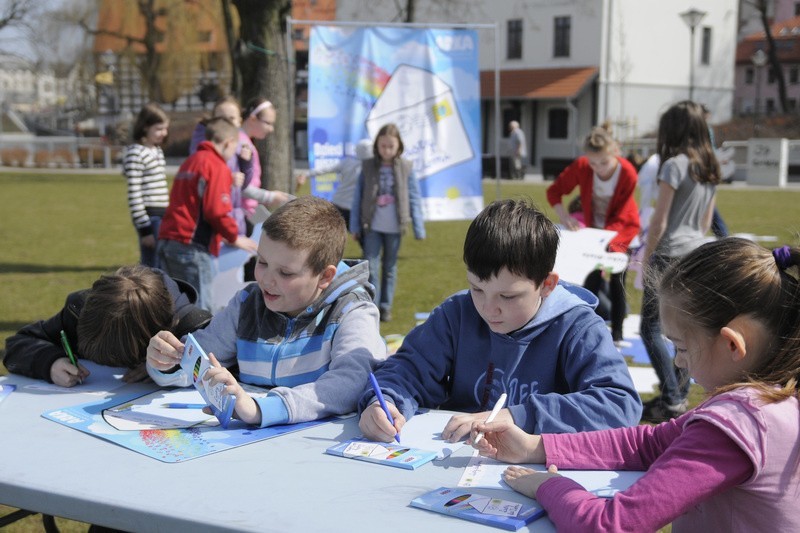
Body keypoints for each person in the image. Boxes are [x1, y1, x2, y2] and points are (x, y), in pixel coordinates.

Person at [470, 238, 800, 532]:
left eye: (681, 347)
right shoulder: (771, 403)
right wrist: (536, 447)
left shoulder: (737, 423)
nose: (678, 362)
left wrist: (548, 486)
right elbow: (651, 443)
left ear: (731, 345)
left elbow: (609, 525)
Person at [357, 198, 642, 444]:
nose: (489, 309)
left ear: (547, 285)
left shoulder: (577, 327)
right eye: (477, 288)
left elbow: (619, 405)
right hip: (451, 461)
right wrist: (384, 402)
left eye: (508, 296)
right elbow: (407, 369)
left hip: (537, 473)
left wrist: (516, 416)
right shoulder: (458, 313)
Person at [146, 196, 388, 428]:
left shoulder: (351, 311)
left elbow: (351, 382)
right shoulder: (246, 304)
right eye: (261, 262)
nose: (266, 280)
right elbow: (196, 359)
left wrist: (262, 409)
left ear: (325, 276)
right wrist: (166, 361)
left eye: (285, 273)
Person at [641, 100, 720, 423]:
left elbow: (659, 221)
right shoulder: (709, 165)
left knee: (651, 328)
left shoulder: (674, 164)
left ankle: (673, 398)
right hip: (696, 250)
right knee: (684, 328)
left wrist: (645, 258)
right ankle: (680, 393)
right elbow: (706, 219)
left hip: (669, 252)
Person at [3, 265, 211, 387]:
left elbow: (223, 374)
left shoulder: (190, 326)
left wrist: (162, 367)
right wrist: (49, 363)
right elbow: (17, 344)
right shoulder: (80, 310)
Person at [546, 126, 640, 343]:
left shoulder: (627, 173)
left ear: (614, 151)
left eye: (603, 162)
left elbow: (624, 212)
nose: (597, 168)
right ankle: (589, 330)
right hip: (593, 233)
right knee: (591, 281)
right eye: (592, 163)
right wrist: (564, 217)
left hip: (621, 231)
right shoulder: (582, 166)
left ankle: (617, 333)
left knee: (618, 280)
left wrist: (606, 242)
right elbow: (555, 191)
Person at [157, 117, 259, 311]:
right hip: (192, 247)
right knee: (201, 312)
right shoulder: (216, 165)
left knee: (176, 306)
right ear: (228, 143)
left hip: (169, 240)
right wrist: (233, 236)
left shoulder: (192, 160)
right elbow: (216, 211)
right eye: (233, 150)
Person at [350, 123, 426, 322]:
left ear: (398, 146)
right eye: (383, 146)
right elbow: (358, 197)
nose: (387, 150)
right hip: (371, 226)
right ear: (377, 146)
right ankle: (372, 306)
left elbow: (414, 197)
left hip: (394, 228)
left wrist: (419, 227)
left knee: (390, 268)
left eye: (391, 146)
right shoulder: (367, 166)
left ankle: (386, 306)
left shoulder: (406, 167)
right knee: (371, 267)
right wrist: (355, 226)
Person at [122, 103, 170, 268]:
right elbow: (134, 193)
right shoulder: (136, 152)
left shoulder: (156, 150)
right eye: (159, 129)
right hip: (149, 217)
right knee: (152, 265)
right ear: (145, 127)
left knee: (162, 262)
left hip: (163, 214)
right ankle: (149, 293)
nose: (164, 133)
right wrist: (145, 229)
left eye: (165, 129)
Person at [299, 138, 372, 229]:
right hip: (356, 208)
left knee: (331, 234)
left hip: (339, 204)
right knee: (363, 235)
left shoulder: (347, 162)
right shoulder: (372, 167)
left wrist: (306, 174)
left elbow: (325, 169)